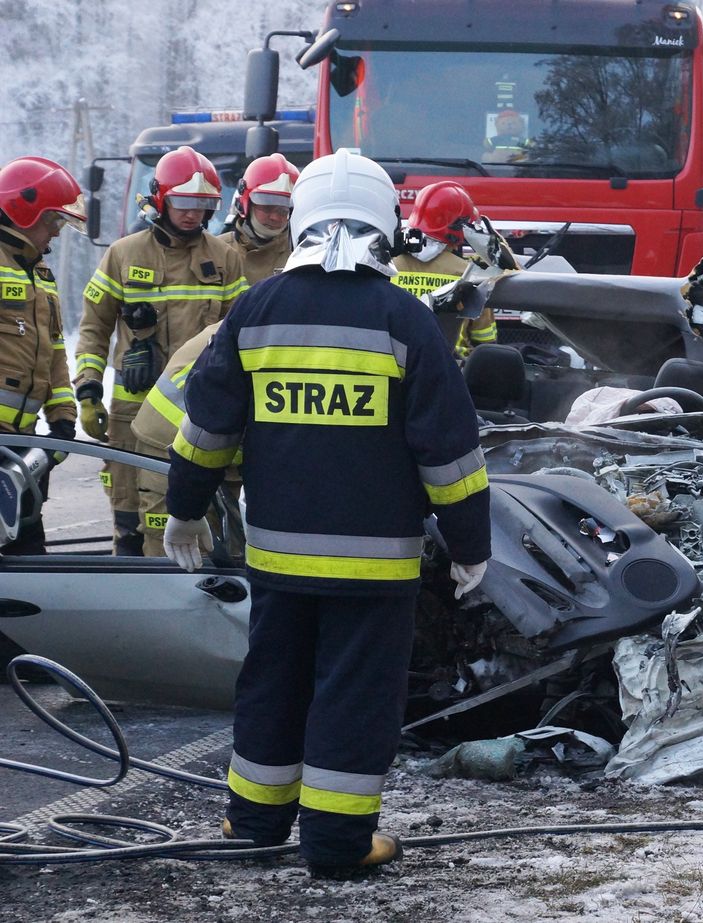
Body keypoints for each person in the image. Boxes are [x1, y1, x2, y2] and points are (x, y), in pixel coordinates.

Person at [162, 149, 492, 877]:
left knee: (272, 680)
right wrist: (472, 544)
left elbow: (207, 425)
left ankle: (253, 823)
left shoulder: (258, 307)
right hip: (374, 565)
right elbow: (450, 454)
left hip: (277, 556)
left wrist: (183, 509)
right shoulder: (405, 318)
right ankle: (339, 842)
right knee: (355, 692)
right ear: (383, 222)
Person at [75, 145, 247, 555]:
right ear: (160, 199)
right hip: (132, 413)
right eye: (182, 203)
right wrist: (87, 390)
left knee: (199, 514)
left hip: (195, 411)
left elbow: (236, 334)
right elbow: (94, 327)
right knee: (130, 517)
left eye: (202, 205)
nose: (192, 214)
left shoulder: (226, 258)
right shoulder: (123, 254)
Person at [0, 156, 86, 553]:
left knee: (28, 558)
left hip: (24, 443)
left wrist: (64, 421)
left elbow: (54, 353)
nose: (55, 235)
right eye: (53, 223)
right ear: (23, 209)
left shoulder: (41, 274)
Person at [130, 321, 234, 557]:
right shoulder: (266, 330)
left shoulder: (266, 312)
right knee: (182, 552)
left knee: (228, 549)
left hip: (213, 439)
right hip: (167, 440)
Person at [392, 181, 513, 358]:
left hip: (391, 370)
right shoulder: (471, 274)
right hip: (452, 371)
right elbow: (485, 340)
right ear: (461, 228)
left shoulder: (385, 265)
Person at [220, 153, 299, 284]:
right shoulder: (218, 251)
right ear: (246, 203)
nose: (275, 217)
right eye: (267, 207)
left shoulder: (300, 253)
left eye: (283, 210)